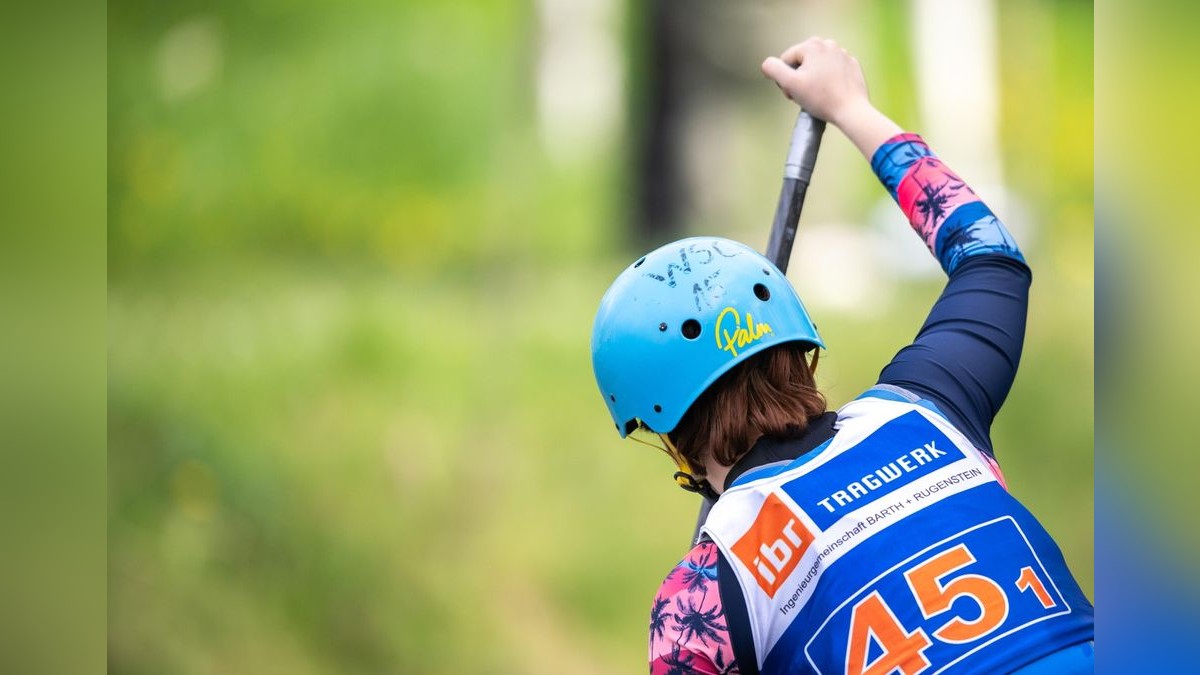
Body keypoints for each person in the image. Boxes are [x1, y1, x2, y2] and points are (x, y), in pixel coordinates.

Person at [590, 37, 1095, 674]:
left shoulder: (700, 600)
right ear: (797, 349)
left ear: (660, 428)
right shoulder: (929, 407)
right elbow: (989, 254)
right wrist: (853, 108)